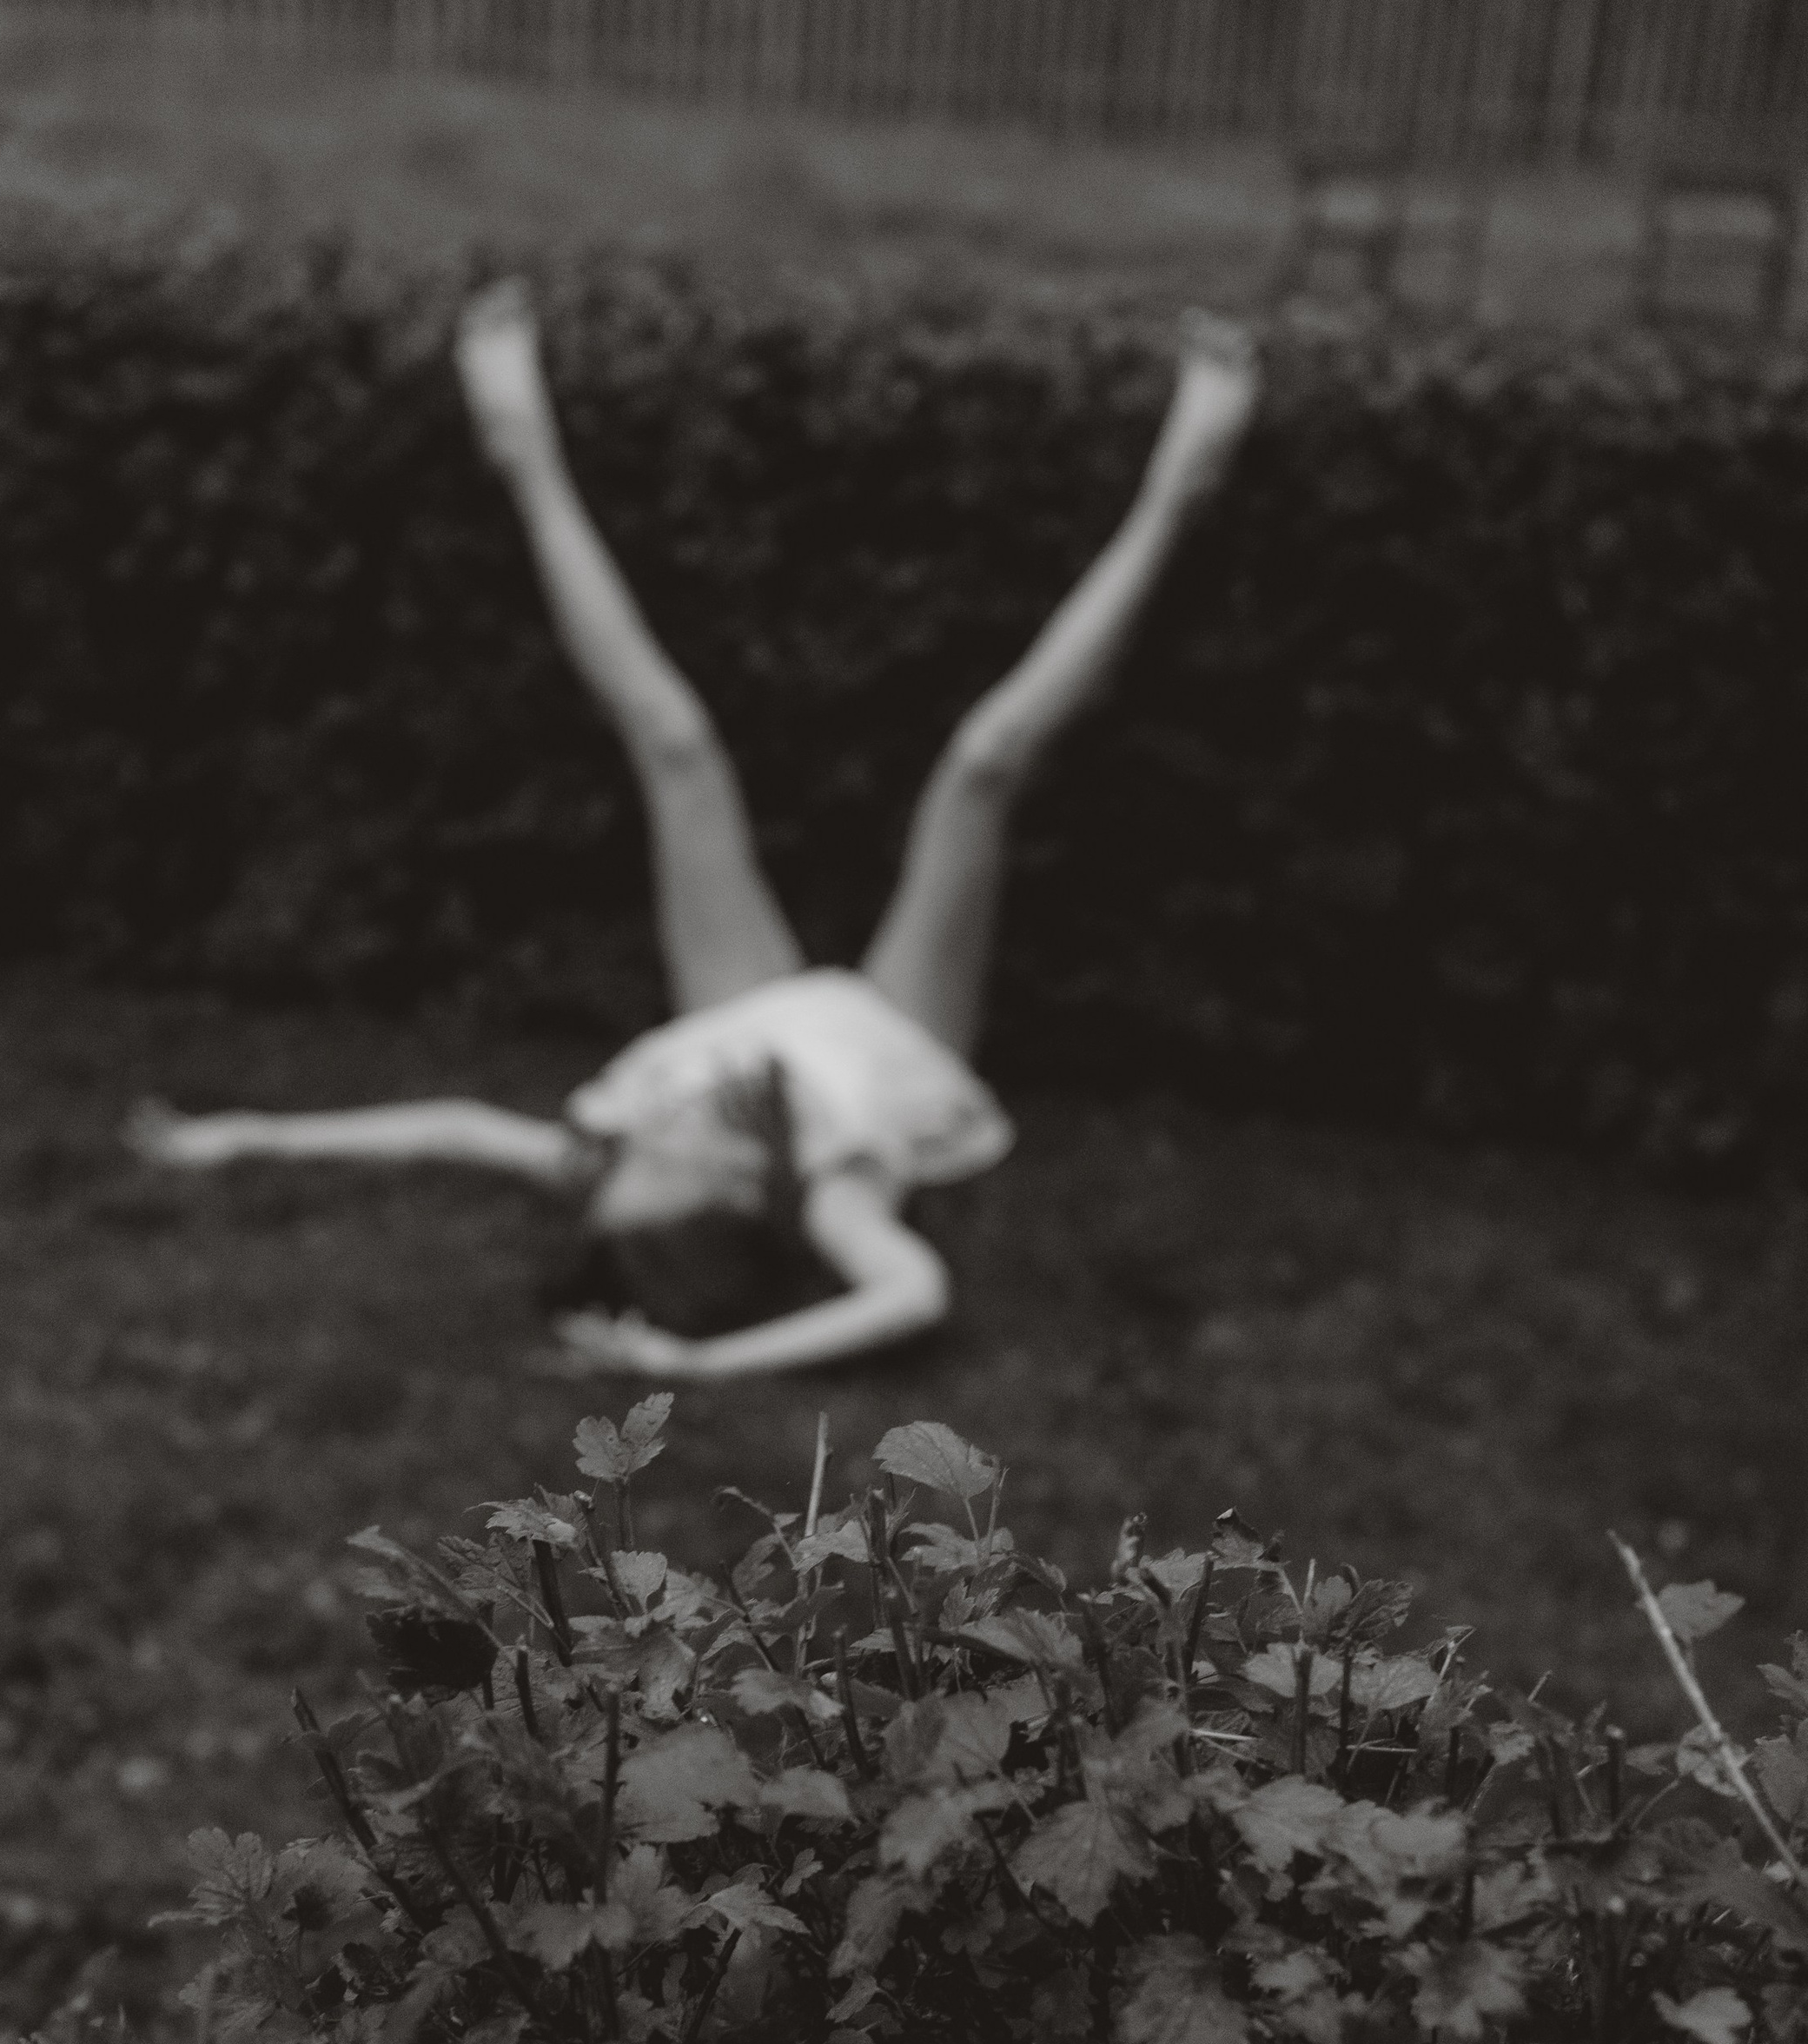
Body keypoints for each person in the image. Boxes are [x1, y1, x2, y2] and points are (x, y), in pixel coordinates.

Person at [129, 282, 1259, 1381]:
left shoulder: (617, 1151)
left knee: (672, 743)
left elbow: (460, 1127)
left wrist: (249, 1135)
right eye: (669, 1161)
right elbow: (914, 1295)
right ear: (733, 1198)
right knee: (981, 766)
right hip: (894, 1038)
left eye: (635, 1157)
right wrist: (699, 1365)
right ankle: (1181, 490)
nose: (650, 1134)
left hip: (743, 1011)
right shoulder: (832, 1190)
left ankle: (523, 454)